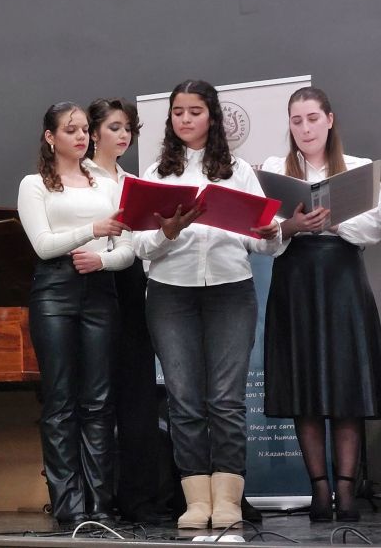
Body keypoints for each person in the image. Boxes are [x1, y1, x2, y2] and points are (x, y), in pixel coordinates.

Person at [133, 80, 281, 530]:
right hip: (170, 292)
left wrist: (271, 233)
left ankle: (228, 500)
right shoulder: (157, 172)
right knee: (183, 400)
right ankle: (196, 501)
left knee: (226, 400)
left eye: (194, 111)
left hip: (229, 289)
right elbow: (140, 245)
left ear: (212, 117)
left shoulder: (238, 170)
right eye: (177, 111)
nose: (185, 119)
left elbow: (263, 243)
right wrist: (167, 232)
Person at [262, 86, 379, 523]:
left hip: (342, 279)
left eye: (312, 118)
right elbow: (265, 235)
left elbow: (374, 226)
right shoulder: (276, 169)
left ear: (329, 120)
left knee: (346, 384)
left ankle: (346, 492)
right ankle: (319, 490)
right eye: (297, 121)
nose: (305, 128)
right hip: (296, 281)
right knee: (304, 383)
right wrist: (294, 225)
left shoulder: (359, 167)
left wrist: (334, 221)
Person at [18, 102, 133, 524]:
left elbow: (128, 249)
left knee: (99, 401)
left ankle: (100, 504)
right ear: (50, 137)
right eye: (71, 130)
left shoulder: (106, 184)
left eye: (85, 129)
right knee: (60, 399)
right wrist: (92, 230)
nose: (82, 136)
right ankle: (69, 504)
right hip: (54, 292)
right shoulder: (34, 184)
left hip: (100, 290)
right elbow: (44, 245)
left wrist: (103, 259)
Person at [83, 98, 163, 524]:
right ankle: (95, 498)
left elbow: (142, 244)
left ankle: (140, 498)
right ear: (94, 132)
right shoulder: (79, 177)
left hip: (131, 284)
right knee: (95, 396)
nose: (124, 135)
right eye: (114, 127)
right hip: (92, 283)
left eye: (128, 128)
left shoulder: (135, 181)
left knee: (138, 396)